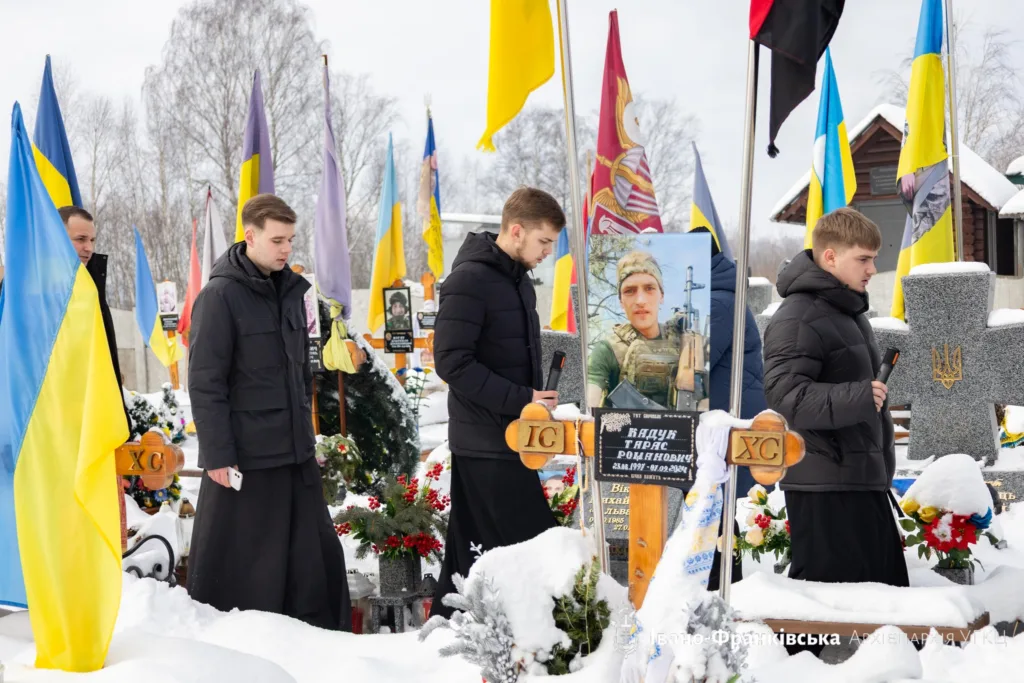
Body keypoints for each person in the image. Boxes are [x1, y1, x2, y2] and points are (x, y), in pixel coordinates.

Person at [186, 193, 350, 631]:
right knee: (249, 572)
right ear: (250, 235)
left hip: (294, 457)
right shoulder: (219, 297)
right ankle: (246, 655)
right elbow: (205, 382)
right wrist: (218, 455)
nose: (285, 249)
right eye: (277, 240)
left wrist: (307, 440)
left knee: (311, 564)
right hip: (247, 461)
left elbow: (299, 379)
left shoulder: (291, 293)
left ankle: (315, 643)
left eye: (291, 240)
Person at [762, 208, 906, 652]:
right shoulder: (799, 316)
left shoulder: (846, 309)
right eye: (863, 259)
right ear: (829, 257)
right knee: (820, 625)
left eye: (874, 258)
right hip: (825, 489)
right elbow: (787, 397)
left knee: (886, 615)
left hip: (860, 482)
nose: (872, 268)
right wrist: (860, 396)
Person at [430, 186, 564, 618]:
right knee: (528, 549)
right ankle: (507, 632)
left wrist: (536, 400)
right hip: (485, 440)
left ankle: (453, 627)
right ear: (517, 230)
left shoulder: (518, 281)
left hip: (513, 437)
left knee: (477, 554)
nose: (547, 252)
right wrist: (523, 398)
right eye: (544, 241)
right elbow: (452, 362)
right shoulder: (470, 281)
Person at [586, 250, 703, 411]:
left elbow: (709, 405)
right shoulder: (608, 350)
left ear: (661, 296)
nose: (640, 300)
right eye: (630, 291)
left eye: (649, 289)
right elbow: (588, 407)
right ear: (621, 301)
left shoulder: (687, 347)